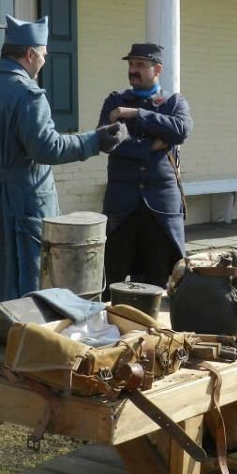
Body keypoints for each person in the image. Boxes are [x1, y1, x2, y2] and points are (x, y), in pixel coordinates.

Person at [0, 15, 128, 317]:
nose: (44, 62)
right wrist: (96, 141)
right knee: (29, 276)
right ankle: (22, 338)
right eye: (44, 55)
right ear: (30, 54)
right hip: (23, 200)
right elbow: (47, 148)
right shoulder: (28, 94)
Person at [98, 42, 192, 291]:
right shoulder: (114, 101)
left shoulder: (173, 102)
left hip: (160, 208)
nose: (133, 70)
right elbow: (108, 140)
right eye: (131, 64)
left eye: (140, 65)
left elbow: (181, 130)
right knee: (113, 278)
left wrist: (135, 115)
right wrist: (150, 147)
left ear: (157, 69)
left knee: (157, 280)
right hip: (122, 206)